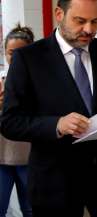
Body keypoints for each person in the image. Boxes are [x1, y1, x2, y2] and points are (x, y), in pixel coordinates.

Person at [1, 0, 97, 217]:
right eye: (80, 20)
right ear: (59, 14)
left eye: (95, 21)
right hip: (55, 185)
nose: (89, 29)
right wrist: (56, 125)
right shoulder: (29, 58)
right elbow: (10, 122)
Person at [0, 23, 34, 217]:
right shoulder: (0, 80)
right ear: (5, 53)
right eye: (11, 52)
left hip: (30, 157)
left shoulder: (40, 83)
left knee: (30, 209)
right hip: (1, 156)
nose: (16, 57)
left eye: (22, 52)